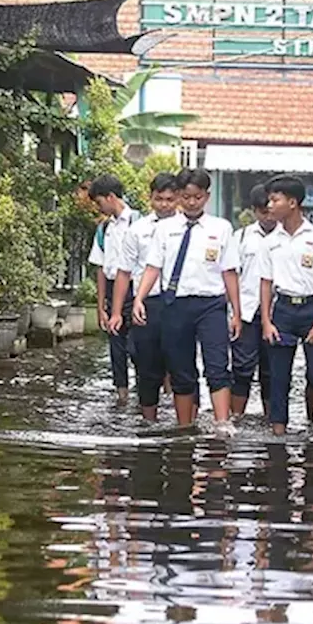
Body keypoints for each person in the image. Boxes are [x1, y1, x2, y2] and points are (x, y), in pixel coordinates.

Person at [134, 168, 243, 431]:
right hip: (175, 305)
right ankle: (185, 428)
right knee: (181, 370)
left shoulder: (221, 228)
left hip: (211, 305)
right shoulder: (165, 229)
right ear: (180, 196)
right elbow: (152, 267)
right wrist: (139, 298)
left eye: (197, 197)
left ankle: (222, 425)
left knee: (217, 366)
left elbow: (229, 272)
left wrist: (236, 312)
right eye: (186, 197)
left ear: (206, 196)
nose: (191, 203)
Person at [260, 174, 313, 434]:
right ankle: (279, 433)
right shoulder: (270, 241)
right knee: (279, 378)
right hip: (282, 310)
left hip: (312, 309)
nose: (269, 205)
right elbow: (266, 282)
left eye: (275, 200)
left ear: (292, 202)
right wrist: (266, 321)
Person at [109, 172, 181, 422]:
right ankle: (148, 416)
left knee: (179, 360)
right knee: (144, 360)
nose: (164, 204)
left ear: (178, 199)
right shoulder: (137, 231)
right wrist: (117, 312)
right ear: (150, 198)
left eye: (170, 199)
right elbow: (123, 272)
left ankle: (179, 414)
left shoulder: (188, 228)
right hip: (146, 302)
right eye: (159, 199)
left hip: (180, 303)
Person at [88, 174, 141, 405]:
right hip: (112, 289)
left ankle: (147, 393)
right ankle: (122, 395)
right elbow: (100, 269)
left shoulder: (140, 223)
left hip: (137, 289)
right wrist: (101, 307)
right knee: (116, 347)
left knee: (139, 346)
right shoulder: (104, 229)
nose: (99, 208)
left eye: (100, 202)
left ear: (110, 197)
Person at [230, 184, 279, 418]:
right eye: (263, 212)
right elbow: (231, 276)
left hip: (278, 311)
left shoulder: (286, 237)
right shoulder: (241, 237)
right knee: (241, 368)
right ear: (254, 211)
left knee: (272, 370)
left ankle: (272, 419)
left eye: (271, 210)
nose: (268, 217)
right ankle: (236, 417)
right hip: (247, 311)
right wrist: (234, 313)